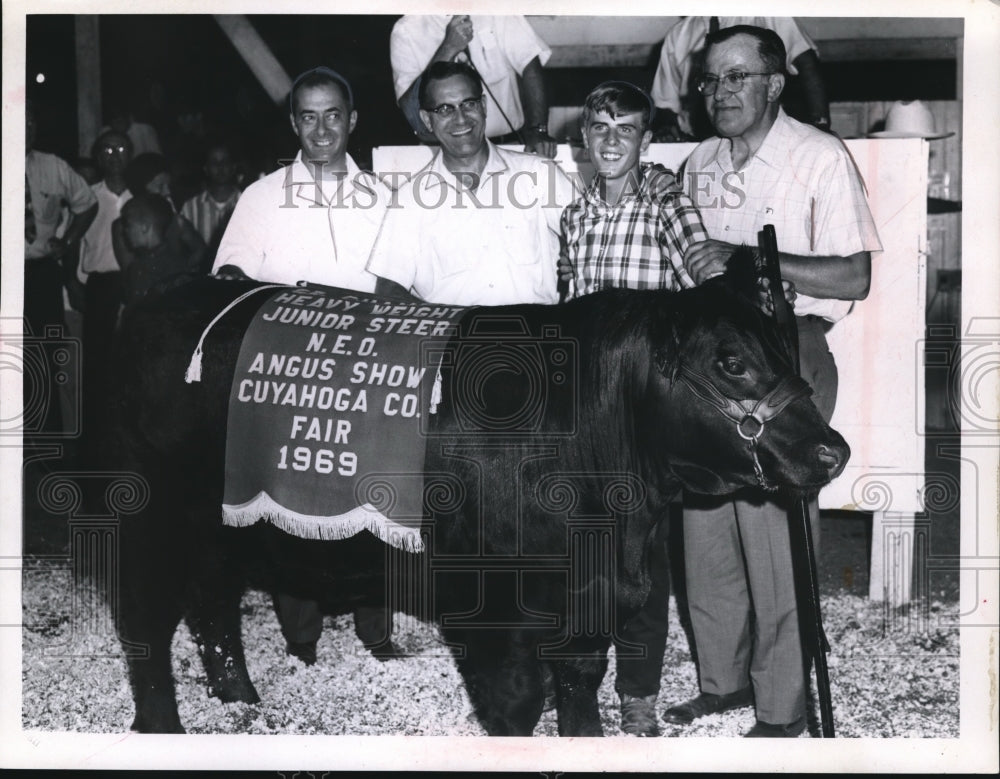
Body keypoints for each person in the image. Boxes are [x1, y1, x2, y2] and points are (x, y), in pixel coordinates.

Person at [660, 24, 881, 738]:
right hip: (712, 364)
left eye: (736, 77)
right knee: (705, 524)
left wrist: (756, 265)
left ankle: (783, 707)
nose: (719, 92)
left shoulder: (819, 157)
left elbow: (855, 274)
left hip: (786, 355)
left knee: (773, 532)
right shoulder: (698, 163)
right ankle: (721, 682)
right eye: (711, 80)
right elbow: (697, 264)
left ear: (775, 84)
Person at [212, 66, 397, 665]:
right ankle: (302, 635)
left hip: (367, 372)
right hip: (290, 374)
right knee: (294, 503)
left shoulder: (383, 196)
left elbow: (404, 282)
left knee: (374, 497)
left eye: (333, 114)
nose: (322, 128)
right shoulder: (262, 195)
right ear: (294, 122)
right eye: (309, 116)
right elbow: (230, 275)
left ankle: (376, 628)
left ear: (353, 119)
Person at [559, 81, 709, 737]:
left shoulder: (669, 202)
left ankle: (639, 690)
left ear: (646, 140)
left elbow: (707, 295)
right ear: (584, 141)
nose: (612, 139)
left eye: (627, 128)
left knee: (642, 559)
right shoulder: (574, 217)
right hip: (587, 411)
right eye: (600, 128)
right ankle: (570, 678)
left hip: (647, 413)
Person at [368, 59, 575, 305]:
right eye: (444, 109)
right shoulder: (409, 199)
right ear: (426, 120)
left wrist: (575, 256)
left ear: (484, 106)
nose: (461, 119)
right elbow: (388, 290)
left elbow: (595, 235)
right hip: (455, 339)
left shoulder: (540, 174)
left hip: (535, 337)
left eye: (468, 104)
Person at [24, 100, 99, 435]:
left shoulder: (52, 166)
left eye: (31, 122)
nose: (26, 129)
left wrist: (66, 241)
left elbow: (87, 203)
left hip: (39, 273)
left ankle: (45, 445)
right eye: (17, 121)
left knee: (43, 357)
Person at [390, 14, 557, 157]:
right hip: (441, 154)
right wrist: (448, 48)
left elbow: (531, 67)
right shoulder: (406, 29)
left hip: (507, 146)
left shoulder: (496, 10)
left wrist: (538, 129)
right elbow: (411, 110)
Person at [650, 17, 829, 141]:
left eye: (736, 76)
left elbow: (807, 65)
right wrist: (668, 131)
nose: (720, 93)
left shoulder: (766, 12)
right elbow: (665, 101)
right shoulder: (678, 35)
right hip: (696, 137)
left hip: (760, 134)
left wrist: (820, 125)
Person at [118, 152, 209, 275]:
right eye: (160, 186)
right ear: (141, 187)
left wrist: (180, 269)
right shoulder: (122, 225)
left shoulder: (177, 221)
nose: (167, 192)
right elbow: (129, 270)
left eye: (168, 186)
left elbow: (200, 250)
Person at [116, 193, 203, 311]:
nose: (125, 231)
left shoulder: (175, 268)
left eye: (128, 225)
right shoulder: (136, 266)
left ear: (145, 227)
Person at [179, 141, 242, 256]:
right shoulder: (190, 207)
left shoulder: (247, 203)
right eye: (214, 162)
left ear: (233, 167)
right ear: (206, 169)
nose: (220, 167)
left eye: (225, 161)